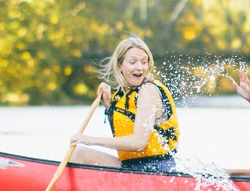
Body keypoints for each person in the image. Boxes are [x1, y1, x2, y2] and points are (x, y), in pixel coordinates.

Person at [69, 36, 180, 173]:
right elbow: (125, 129)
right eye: (133, 62)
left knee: (80, 150)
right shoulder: (124, 95)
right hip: (132, 167)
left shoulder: (148, 91)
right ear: (120, 65)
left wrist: (90, 140)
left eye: (144, 62)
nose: (140, 67)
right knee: (79, 154)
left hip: (155, 170)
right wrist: (110, 106)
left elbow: (139, 143)